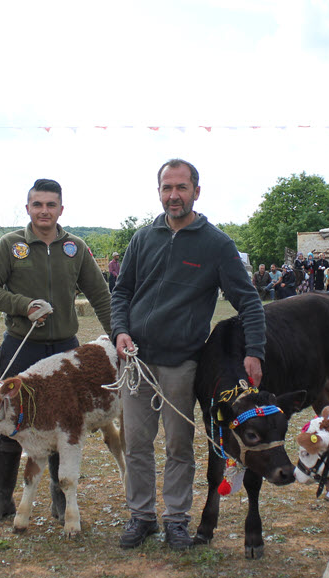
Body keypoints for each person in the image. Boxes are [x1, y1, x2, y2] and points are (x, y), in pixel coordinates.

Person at [111, 158, 265, 551]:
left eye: (181, 187)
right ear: (159, 192)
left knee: (179, 444)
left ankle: (176, 520)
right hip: (138, 362)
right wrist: (121, 331)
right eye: (167, 187)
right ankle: (141, 516)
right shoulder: (143, 238)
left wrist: (255, 351)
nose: (173, 195)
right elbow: (122, 293)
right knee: (137, 443)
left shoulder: (216, 244)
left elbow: (248, 301)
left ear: (197, 191)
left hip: (181, 363)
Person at [0, 178, 113, 525]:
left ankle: (59, 500)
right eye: (37, 205)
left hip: (66, 349)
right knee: (10, 421)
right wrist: (23, 305)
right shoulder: (10, 245)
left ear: (61, 209)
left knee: (62, 424)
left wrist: (119, 335)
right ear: (28, 209)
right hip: (21, 348)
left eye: (51, 205)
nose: (44, 211)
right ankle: (3, 500)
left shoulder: (76, 247)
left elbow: (100, 295)